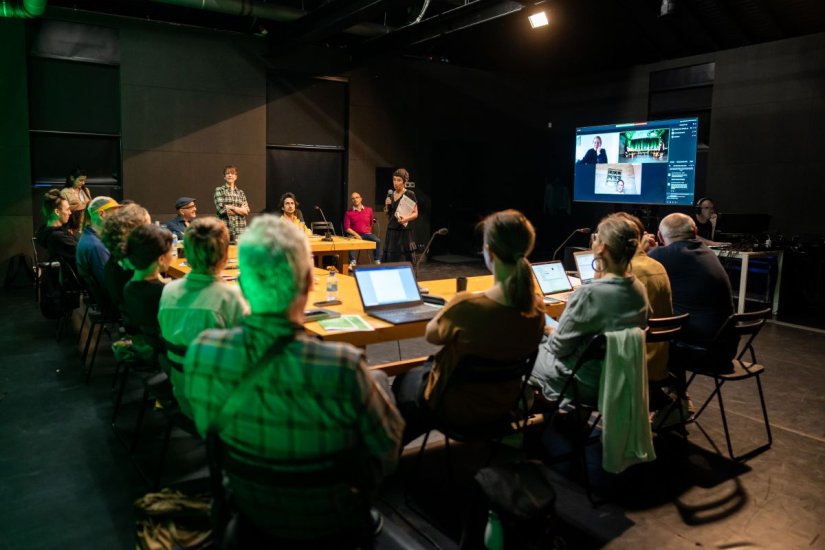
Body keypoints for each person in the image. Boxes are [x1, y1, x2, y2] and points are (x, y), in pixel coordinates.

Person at [183, 215, 403, 542]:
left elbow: (207, 430)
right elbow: (388, 452)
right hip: (334, 518)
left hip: (249, 507)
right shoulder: (344, 367)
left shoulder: (202, 353)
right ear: (311, 280)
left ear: (241, 285)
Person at [392, 210, 545, 444]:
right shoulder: (537, 308)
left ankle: (390, 457)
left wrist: (454, 304)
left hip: (457, 407)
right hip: (505, 404)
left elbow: (433, 335)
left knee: (403, 382)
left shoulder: (468, 306)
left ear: (490, 252)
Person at [530, 213, 649, 405]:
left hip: (580, 380)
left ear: (601, 247)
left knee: (519, 349)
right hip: (618, 378)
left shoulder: (589, 295)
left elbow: (558, 349)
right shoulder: (639, 290)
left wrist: (545, 329)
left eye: (596, 238)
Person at [158, 217, 248, 417]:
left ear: (186, 253)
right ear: (226, 255)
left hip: (182, 395)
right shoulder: (231, 299)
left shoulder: (168, 291)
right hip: (221, 407)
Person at [648, 213, 737, 368]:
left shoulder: (660, 255)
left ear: (660, 237)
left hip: (700, 351)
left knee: (640, 337)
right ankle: (675, 389)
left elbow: (630, 272)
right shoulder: (707, 252)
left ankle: (656, 390)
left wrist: (642, 251)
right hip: (725, 347)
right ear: (695, 232)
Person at [122, 224, 173, 360]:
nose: (172, 257)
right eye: (171, 253)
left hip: (150, 346)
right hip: (168, 356)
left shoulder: (130, 286)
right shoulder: (163, 293)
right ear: (161, 259)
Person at [100, 203, 152, 321]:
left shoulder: (118, 259)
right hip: (144, 327)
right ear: (134, 231)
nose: (152, 232)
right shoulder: (131, 266)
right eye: (148, 227)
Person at [76, 196, 120, 290]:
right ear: (101, 214)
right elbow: (109, 285)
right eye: (114, 214)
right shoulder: (96, 246)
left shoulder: (88, 238)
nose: (118, 218)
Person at [36, 189, 78, 272]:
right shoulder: (58, 236)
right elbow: (83, 254)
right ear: (57, 212)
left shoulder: (50, 234)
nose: (70, 212)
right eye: (67, 209)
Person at [382, 168, 418, 263]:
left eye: (399, 180)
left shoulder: (409, 194)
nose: (396, 182)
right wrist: (386, 205)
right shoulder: (390, 194)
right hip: (391, 230)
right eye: (394, 180)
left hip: (404, 232)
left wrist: (405, 218)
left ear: (404, 181)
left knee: (402, 260)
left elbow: (415, 213)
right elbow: (387, 213)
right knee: (390, 260)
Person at [343, 191, 381, 266]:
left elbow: (371, 223)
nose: (355, 199)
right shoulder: (348, 213)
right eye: (353, 198)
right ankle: (353, 262)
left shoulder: (369, 210)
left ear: (361, 199)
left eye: (357, 197)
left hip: (367, 234)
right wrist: (356, 235)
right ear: (351, 201)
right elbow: (347, 228)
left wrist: (367, 231)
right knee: (351, 241)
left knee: (377, 240)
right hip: (355, 235)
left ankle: (377, 260)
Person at [214, 165, 249, 241]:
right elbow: (222, 210)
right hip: (225, 229)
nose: (230, 175)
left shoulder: (240, 192)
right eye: (227, 173)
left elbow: (246, 211)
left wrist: (231, 207)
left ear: (236, 177)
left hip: (240, 230)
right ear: (224, 177)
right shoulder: (219, 190)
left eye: (232, 173)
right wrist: (240, 210)